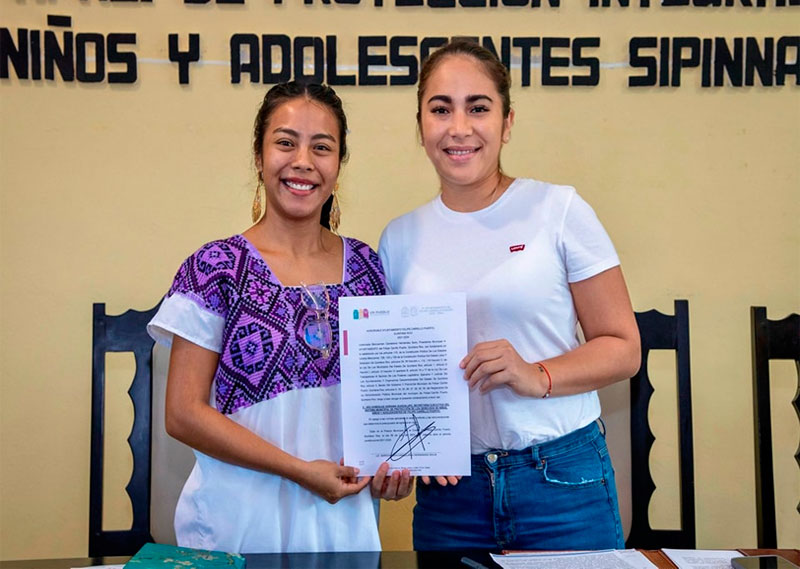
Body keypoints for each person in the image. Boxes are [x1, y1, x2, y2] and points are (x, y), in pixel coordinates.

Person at [378, 40, 641, 551]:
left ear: (507, 121)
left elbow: (623, 346)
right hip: (451, 498)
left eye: (478, 107)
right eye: (440, 109)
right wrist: (400, 457)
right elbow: (399, 377)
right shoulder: (398, 238)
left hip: (561, 480)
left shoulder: (558, 209)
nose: (459, 128)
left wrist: (535, 374)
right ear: (421, 125)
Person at [147, 82, 412, 554]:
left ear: (339, 164)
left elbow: (385, 404)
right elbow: (183, 414)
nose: (303, 161)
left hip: (342, 529)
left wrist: (394, 466)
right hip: (237, 527)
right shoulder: (215, 268)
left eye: (322, 147)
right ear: (259, 154)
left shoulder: (370, 268)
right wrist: (299, 469)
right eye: (285, 142)